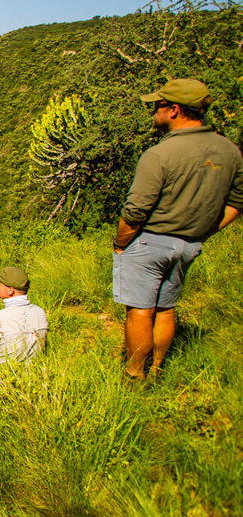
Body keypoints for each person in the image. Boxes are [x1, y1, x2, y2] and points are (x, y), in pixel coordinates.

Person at [113, 78, 243, 384]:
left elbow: (135, 211)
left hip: (149, 242)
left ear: (174, 110)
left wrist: (121, 243)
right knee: (166, 308)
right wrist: (204, 232)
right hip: (189, 244)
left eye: (158, 106)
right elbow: (237, 202)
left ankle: (134, 375)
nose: (154, 112)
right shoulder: (230, 151)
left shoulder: (160, 154)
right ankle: (158, 370)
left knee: (140, 310)